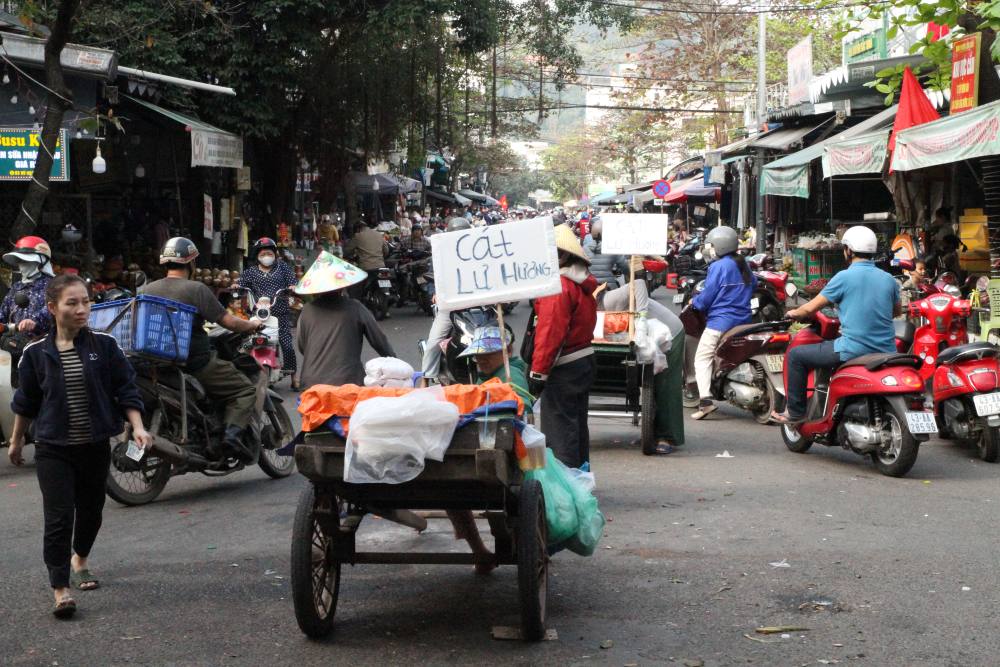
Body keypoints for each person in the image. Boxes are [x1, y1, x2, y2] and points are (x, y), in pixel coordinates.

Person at [8, 274, 152, 619]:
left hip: (94, 445)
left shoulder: (104, 346)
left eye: (86, 301)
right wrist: (15, 441)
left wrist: (138, 426)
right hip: (53, 447)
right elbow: (26, 402)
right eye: (72, 303)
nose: (81, 309)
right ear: (52, 307)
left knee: (91, 512)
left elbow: (125, 389)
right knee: (58, 518)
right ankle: (60, 589)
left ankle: (81, 559)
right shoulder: (35, 354)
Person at [141, 238, 262, 461]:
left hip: (158, 362)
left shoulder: (147, 289)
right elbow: (229, 322)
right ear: (191, 263)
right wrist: (252, 325)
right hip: (195, 362)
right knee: (245, 390)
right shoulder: (197, 289)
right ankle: (232, 437)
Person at [772, 226, 901, 424]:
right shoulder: (889, 279)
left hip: (853, 349)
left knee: (797, 356)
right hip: (887, 350)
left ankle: (795, 412)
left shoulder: (843, 277)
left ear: (848, 250)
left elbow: (809, 309)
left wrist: (792, 313)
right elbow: (896, 312)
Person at [528, 224, 598, 469]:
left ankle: (567, 487)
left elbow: (550, 334)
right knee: (576, 425)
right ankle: (580, 481)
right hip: (582, 361)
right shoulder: (579, 282)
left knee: (560, 430)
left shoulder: (558, 287)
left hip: (564, 365)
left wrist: (538, 373)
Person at [603, 265, 685, 455]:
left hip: (669, 332)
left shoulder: (607, 300)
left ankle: (668, 436)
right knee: (653, 386)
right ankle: (652, 434)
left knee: (665, 387)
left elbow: (639, 283)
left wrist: (641, 316)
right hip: (653, 334)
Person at [295, 251, 395, 387]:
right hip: (348, 382)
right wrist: (395, 362)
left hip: (311, 383)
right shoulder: (356, 308)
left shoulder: (306, 310)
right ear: (343, 285)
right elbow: (379, 341)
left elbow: (302, 346)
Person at [689, 225, 756, 420]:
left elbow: (707, 296)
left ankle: (705, 402)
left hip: (720, 322)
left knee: (701, 358)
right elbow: (753, 285)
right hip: (744, 319)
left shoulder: (717, 267)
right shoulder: (743, 263)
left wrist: (696, 302)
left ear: (719, 246)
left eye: (710, 245)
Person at [238, 237, 300, 389]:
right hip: (259, 316)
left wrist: (292, 286)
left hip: (280, 314)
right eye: (263, 253)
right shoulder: (251, 272)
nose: (267, 256)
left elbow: (293, 281)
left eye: (269, 253)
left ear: (274, 254)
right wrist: (236, 286)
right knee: (249, 343)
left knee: (287, 345)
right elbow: (240, 285)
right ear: (258, 256)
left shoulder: (283, 267)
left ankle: (294, 376)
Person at [421, 217, 472, 382]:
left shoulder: (477, 253)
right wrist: (435, 291)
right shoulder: (441, 255)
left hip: (476, 305)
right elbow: (434, 277)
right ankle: (426, 378)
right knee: (433, 343)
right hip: (450, 306)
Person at [460, 325, 533, 406]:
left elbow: (523, 406)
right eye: (478, 355)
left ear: (508, 350)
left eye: (488, 353)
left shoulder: (511, 375)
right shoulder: (486, 375)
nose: (481, 360)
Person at [0, 236, 55, 336]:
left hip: (43, 344)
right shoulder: (16, 287)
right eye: (20, 261)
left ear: (41, 261)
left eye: (27, 261)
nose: (22, 265)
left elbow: (52, 312)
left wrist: (33, 322)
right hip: (14, 343)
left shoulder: (54, 286)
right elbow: (3, 313)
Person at [584, 218, 626, 291]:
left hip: (590, 288)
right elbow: (625, 268)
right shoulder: (612, 248)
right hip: (609, 288)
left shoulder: (584, 248)